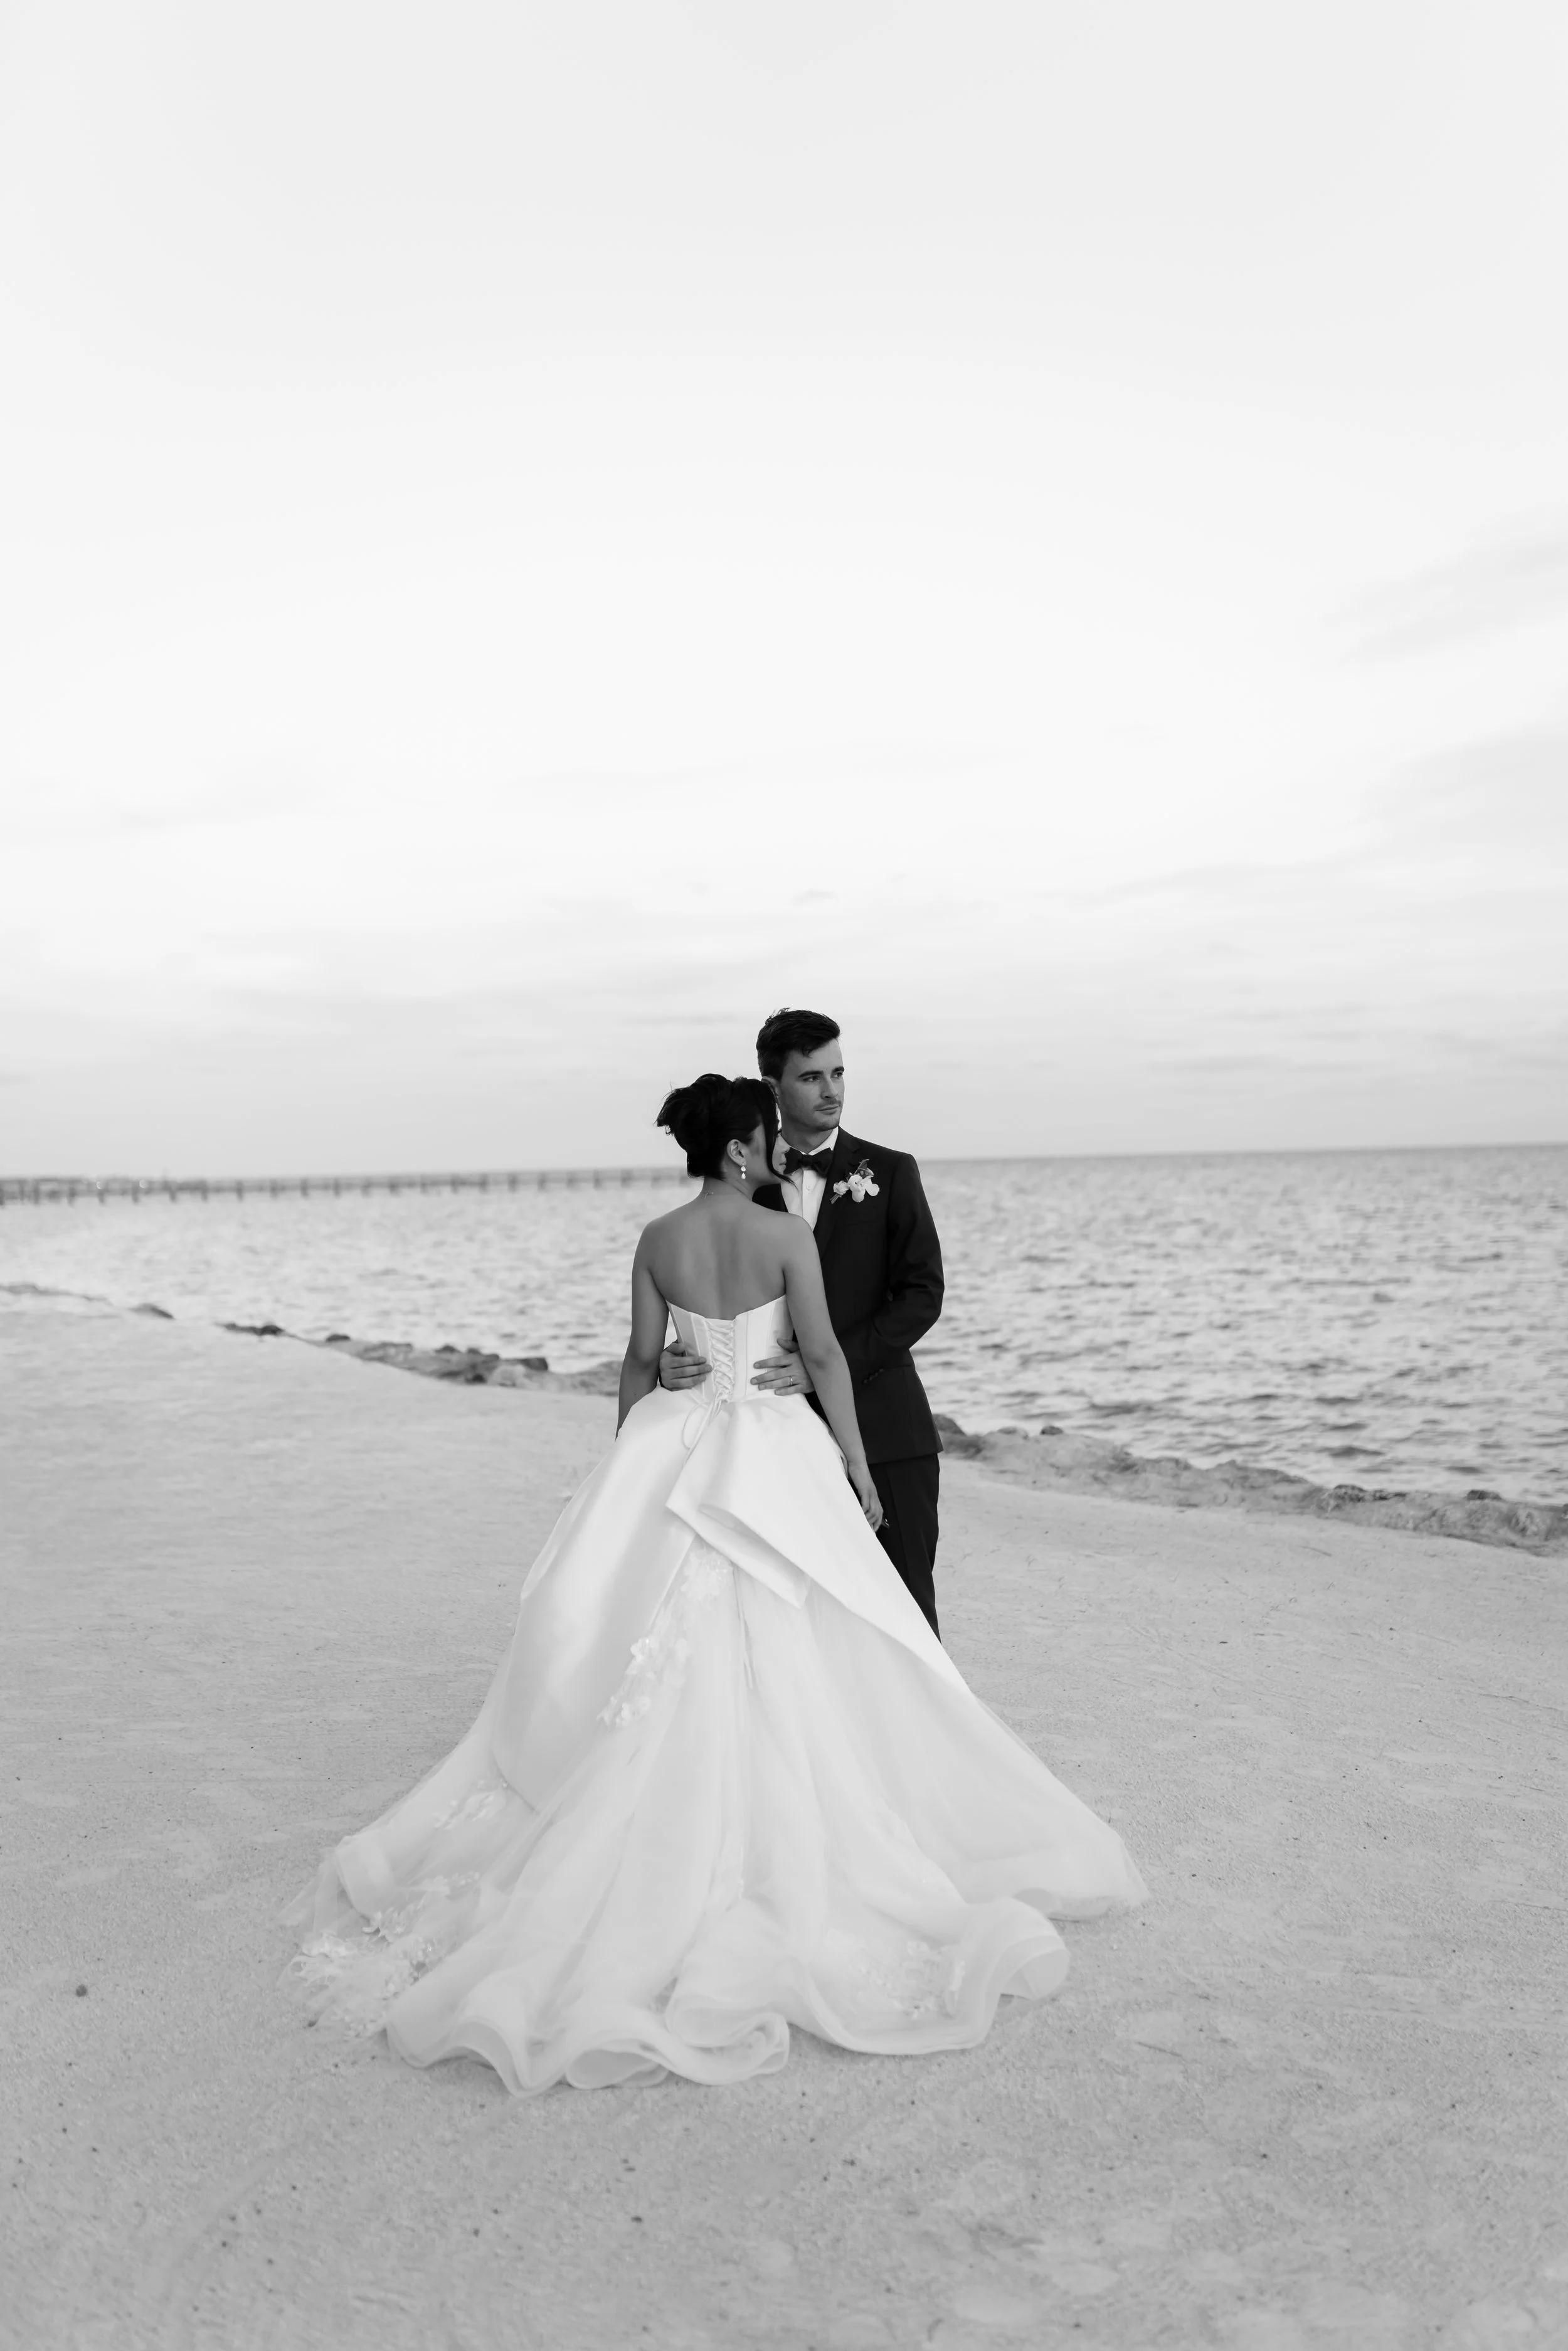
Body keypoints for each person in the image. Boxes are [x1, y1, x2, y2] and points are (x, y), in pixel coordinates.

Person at [287, 1074, 1146, 2096]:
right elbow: (820, 1352)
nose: (781, 1147)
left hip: (676, 1450)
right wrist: (862, 1467)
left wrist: (627, 1461)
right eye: (765, 1137)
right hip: (770, 1448)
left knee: (652, 1633)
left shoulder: (657, 1238)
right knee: (809, 1622)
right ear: (738, 1151)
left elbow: (643, 1362)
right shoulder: (787, 1238)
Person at [660, 1010, 946, 1635]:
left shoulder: (892, 1171)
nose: (832, 1090)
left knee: (905, 1612)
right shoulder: (742, 1183)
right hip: (766, 1445)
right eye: (813, 1077)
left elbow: (922, 1294)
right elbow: (703, 1289)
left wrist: (826, 1363)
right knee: (792, 1623)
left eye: (839, 1073)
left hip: (883, 1430)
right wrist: (670, 1359)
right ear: (772, 1089)